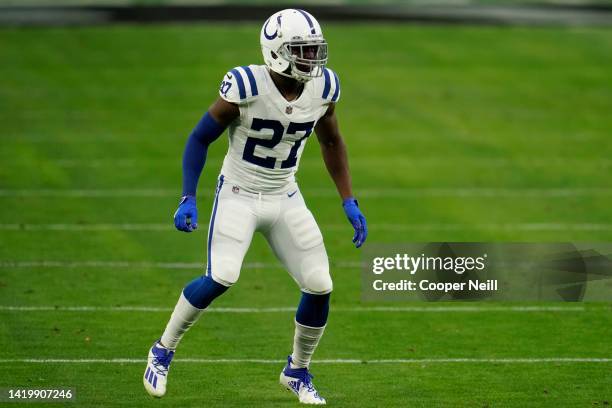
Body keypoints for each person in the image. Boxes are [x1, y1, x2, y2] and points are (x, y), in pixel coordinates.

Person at [143, 8, 367, 405]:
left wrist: (348, 199)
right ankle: (163, 349)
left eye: (315, 49)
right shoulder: (245, 85)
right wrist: (188, 197)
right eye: (303, 50)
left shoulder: (324, 88)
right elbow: (199, 139)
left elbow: (331, 141)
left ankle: (296, 371)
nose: (313, 59)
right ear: (277, 51)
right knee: (221, 276)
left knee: (320, 283)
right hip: (239, 195)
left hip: (286, 194)